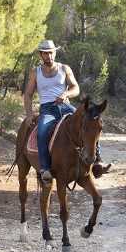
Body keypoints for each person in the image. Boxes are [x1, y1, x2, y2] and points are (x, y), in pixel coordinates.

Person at [23, 39, 106, 183]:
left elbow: (76, 88)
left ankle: (97, 161)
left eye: (51, 53)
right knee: (42, 132)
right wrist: (29, 114)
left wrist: (66, 94)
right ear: (40, 55)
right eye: (45, 53)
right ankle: (45, 169)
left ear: (55, 53)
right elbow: (28, 94)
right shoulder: (35, 72)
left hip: (65, 105)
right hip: (47, 108)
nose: (48, 56)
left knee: (91, 122)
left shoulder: (64, 69)